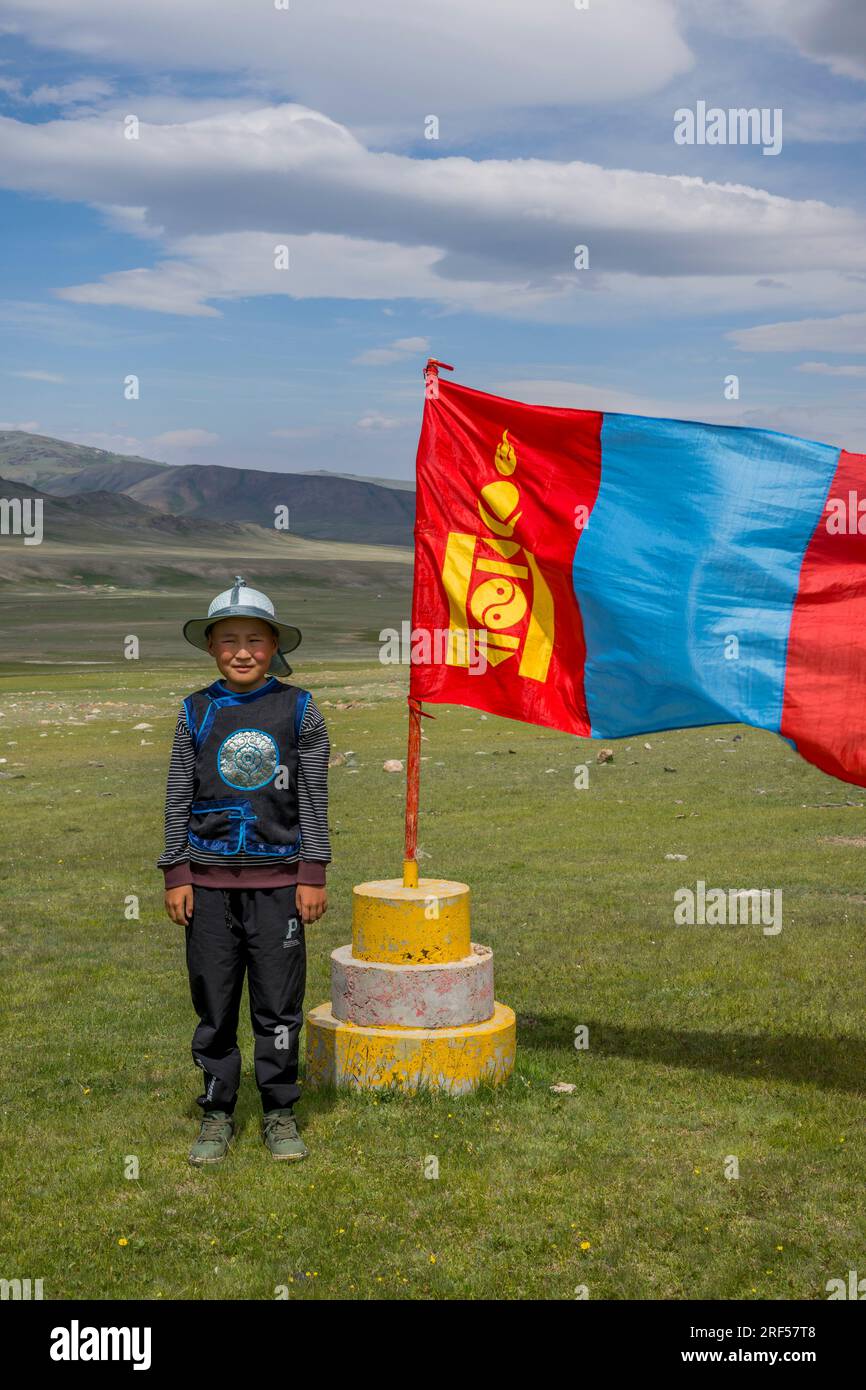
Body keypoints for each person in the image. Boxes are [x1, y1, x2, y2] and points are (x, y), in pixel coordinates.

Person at [157, 576, 331, 1165]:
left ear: (274, 644)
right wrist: (176, 871)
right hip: (206, 884)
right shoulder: (194, 711)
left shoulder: (300, 709)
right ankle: (217, 1111)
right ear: (210, 646)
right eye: (228, 638)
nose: (241, 650)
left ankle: (279, 1111)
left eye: (254, 639)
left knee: (278, 1004)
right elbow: (178, 794)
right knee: (214, 1001)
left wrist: (313, 871)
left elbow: (313, 797)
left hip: (281, 882)